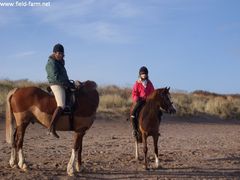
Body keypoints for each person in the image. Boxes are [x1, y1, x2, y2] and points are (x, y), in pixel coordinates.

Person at [45, 43, 71, 138]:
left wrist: (70, 83)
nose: (60, 55)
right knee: (61, 104)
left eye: (61, 53)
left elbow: (64, 76)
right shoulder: (51, 63)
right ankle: (51, 127)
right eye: (58, 53)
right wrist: (66, 83)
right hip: (56, 84)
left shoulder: (60, 62)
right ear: (54, 53)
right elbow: (55, 76)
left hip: (63, 84)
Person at [131, 66, 155, 138]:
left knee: (159, 112)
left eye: (145, 74)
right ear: (140, 75)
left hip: (149, 101)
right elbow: (134, 93)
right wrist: (137, 98)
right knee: (133, 113)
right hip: (140, 101)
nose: (144, 75)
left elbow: (153, 92)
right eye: (142, 74)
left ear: (147, 74)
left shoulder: (149, 83)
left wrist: (152, 99)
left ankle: (156, 129)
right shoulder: (137, 83)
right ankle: (135, 130)